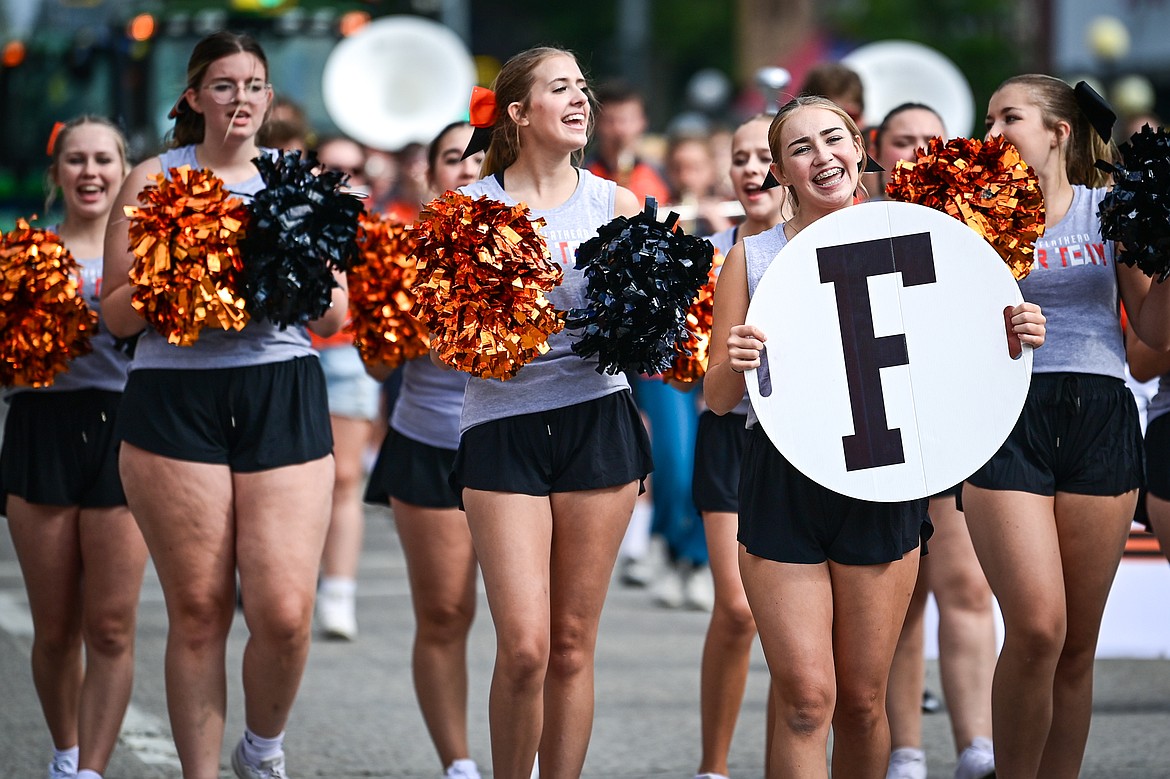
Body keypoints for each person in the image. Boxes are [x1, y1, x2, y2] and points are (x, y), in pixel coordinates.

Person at [704, 95, 1045, 779]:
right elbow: (716, 398)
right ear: (780, 170)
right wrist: (736, 360)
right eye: (800, 148)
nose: (821, 156)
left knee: (860, 703)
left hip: (884, 478)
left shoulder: (925, 234)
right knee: (806, 699)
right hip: (783, 483)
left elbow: (957, 358)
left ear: (859, 146)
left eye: (832, 139)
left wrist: (1013, 335)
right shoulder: (754, 256)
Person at [101, 31, 346, 779]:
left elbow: (334, 318)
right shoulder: (153, 178)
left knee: (282, 612)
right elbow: (115, 316)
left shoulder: (296, 179)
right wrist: (183, 269)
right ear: (193, 97)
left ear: (269, 99)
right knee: (201, 609)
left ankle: (261, 748)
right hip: (175, 391)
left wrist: (291, 266)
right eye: (223, 84)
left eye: (253, 84)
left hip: (280, 386)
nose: (240, 98)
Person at [450, 46, 652, 779]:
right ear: (517, 111)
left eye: (583, 88)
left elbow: (649, 346)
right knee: (526, 645)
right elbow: (452, 344)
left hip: (597, 420)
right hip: (501, 425)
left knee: (570, 642)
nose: (580, 99)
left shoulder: (616, 203)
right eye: (559, 87)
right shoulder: (471, 211)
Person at [963, 73, 1170, 779]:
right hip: (1006, 416)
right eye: (986, 120)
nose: (991, 134)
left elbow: (1153, 327)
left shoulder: (1108, 208)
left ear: (1057, 130)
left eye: (1008, 118)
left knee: (1077, 643)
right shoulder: (971, 215)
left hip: (1101, 416)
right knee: (1038, 626)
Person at [1, 116, 148, 779]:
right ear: (55, 174)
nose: (90, 172)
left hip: (129, 427)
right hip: (41, 429)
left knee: (112, 625)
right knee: (55, 626)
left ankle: (89, 769)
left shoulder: (156, 248)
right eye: (76, 160)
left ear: (125, 170)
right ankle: (65, 753)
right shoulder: (19, 251)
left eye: (103, 160)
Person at [867, 103, 997, 779]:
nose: (918, 149)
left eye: (931, 139)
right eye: (903, 139)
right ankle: (906, 749)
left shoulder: (979, 220)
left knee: (968, 584)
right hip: (876, 431)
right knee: (901, 592)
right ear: (877, 149)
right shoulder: (854, 219)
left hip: (950, 425)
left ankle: (978, 745)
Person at [363, 120, 485, 779]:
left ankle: (529, 755)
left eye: (480, 156)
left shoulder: (540, 239)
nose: (466, 167)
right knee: (444, 611)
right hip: (428, 441)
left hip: (522, 447)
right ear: (429, 172)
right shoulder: (402, 249)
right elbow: (379, 368)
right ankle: (458, 762)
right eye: (452, 158)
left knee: (539, 632)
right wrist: (402, 315)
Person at [691, 113, 785, 779]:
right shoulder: (710, 252)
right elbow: (691, 360)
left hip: (798, 438)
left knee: (789, 628)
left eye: (763, 156)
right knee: (737, 607)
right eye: (740, 158)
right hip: (728, 432)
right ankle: (714, 766)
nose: (751, 169)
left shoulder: (820, 243)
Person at [311, 134, 381, 641]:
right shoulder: (288, 215)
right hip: (294, 357)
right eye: (333, 167)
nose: (344, 179)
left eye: (354, 169)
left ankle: (338, 591)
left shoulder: (373, 224)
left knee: (345, 479)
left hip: (349, 355)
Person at [585, 80, 671, 205]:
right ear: (595, 123)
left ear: (643, 121)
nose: (620, 130)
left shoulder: (664, 175)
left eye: (627, 120)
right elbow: (545, 221)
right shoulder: (581, 176)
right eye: (610, 121)